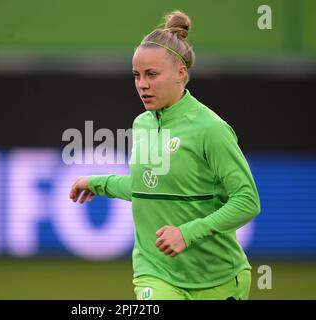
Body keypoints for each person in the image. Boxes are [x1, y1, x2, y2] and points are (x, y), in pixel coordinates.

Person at [69, 10, 261, 300]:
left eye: (152, 75)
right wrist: (96, 182)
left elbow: (247, 201)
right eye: (137, 75)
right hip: (155, 272)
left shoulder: (211, 129)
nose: (142, 84)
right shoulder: (142, 123)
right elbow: (147, 186)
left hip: (218, 279)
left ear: (181, 73)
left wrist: (187, 233)